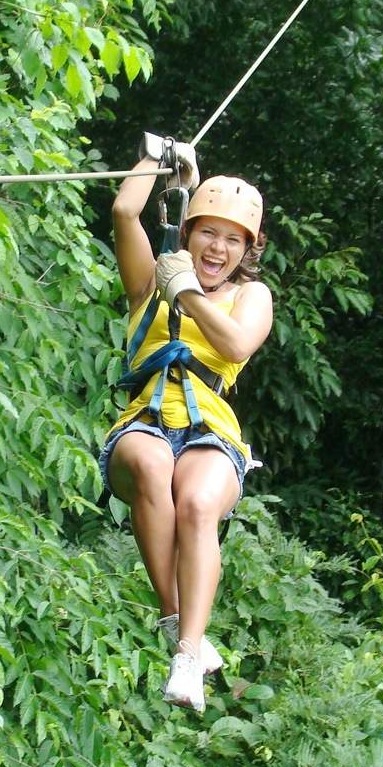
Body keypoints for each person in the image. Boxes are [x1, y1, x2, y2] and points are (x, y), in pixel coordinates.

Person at [99, 138, 273, 711]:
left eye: (232, 239)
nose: (217, 247)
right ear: (189, 231)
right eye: (207, 232)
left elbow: (237, 342)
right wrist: (157, 158)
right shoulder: (151, 283)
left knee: (198, 503)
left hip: (210, 429)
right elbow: (125, 211)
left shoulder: (251, 296)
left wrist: (190, 295)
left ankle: (189, 653)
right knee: (151, 464)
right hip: (145, 419)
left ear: (246, 249)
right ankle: (177, 620)